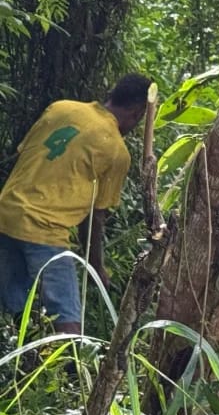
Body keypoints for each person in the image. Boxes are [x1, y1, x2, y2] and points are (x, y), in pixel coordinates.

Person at [0, 74, 151, 336]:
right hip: (45, 231)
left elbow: (25, 153)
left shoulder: (61, 108)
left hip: (6, 213)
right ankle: (74, 371)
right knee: (66, 315)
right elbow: (95, 217)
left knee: (12, 305)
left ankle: (17, 361)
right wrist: (96, 266)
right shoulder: (116, 151)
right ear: (138, 113)